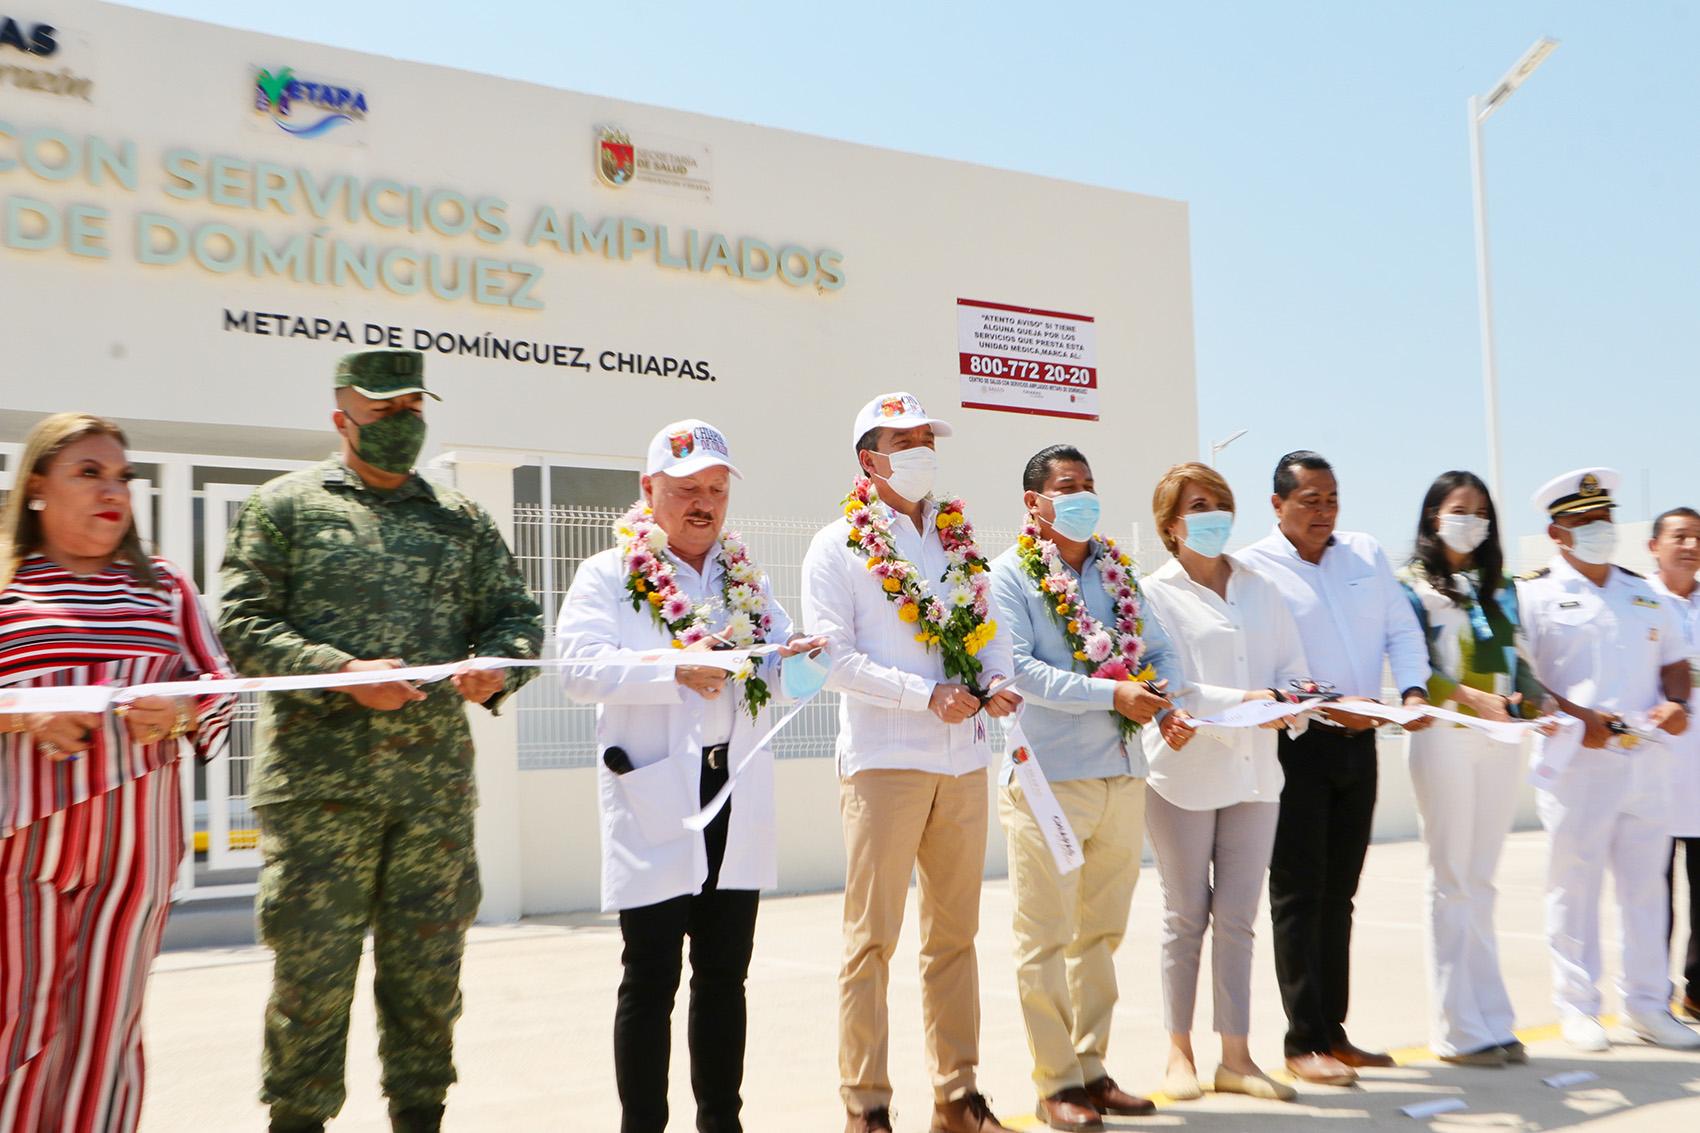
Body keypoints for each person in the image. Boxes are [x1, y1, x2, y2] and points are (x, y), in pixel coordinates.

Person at [218, 351, 545, 1133]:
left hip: (430, 794)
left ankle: (420, 1114)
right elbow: (240, 624)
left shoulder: (459, 520)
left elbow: (518, 620)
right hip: (318, 795)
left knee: (428, 980)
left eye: (411, 408)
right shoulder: (284, 508)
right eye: (383, 410)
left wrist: (497, 671)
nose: (402, 423)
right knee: (312, 982)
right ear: (343, 418)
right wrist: (339, 671)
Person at [555, 419, 828, 1133]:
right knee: (650, 976)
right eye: (685, 490)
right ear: (649, 491)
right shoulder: (609, 575)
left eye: (715, 488)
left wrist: (800, 659)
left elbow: (780, 663)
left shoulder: (746, 578)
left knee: (724, 973)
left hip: (731, 786)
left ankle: (720, 1121)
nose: (703, 503)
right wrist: (672, 668)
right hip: (655, 790)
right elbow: (576, 669)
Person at [0, 413, 235, 1133]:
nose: (114, 491)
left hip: (138, 851)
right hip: (20, 845)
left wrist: (179, 708)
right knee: (15, 1018)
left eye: (123, 477)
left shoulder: (165, 586)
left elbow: (221, 685)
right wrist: (22, 714)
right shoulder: (6, 581)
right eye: (89, 472)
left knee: (107, 1022)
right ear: (37, 486)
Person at [801, 392, 1021, 1133]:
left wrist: (998, 680)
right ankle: (866, 1104)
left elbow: (989, 631)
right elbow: (832, 659)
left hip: (964, 760)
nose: (924, 447)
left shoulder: (957, 541)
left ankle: (957, 1095)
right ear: (871, 458)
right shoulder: (838, 545)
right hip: (885, 761)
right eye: (908, 438)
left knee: (954, 937)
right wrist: (923, 694)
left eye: (929, 436)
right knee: (871, 939)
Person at [988, 445, 1181, 1130]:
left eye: (1089, 485)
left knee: (1100, 931)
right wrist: (1114, 691)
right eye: (1067, 487)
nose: (1083, 496)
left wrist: (1164, 696)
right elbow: (1022, 672)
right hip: (1048, 778)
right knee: (1043, 935)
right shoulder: (1008, 575)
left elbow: (1161, 650)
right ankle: (1055, 1082)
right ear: (1033, 503)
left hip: (1122, 773)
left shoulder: (1115, 571)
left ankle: (1092, 1068)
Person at [1237, 450, 1433, 1086]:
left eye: (1331, 499)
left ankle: (1334, 1032)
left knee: (1340, 894)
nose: (1323, 512)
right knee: (1298, 892)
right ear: (1277, 505)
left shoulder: (1365, 554)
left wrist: (1410, 694)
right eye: (1309, 500)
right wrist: (1324, 703)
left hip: (1363, 740)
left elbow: (1403, 632)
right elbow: (1260, 660)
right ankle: (1302, 1041)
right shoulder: (1253, 567)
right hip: (1300, 741)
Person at [1139, 462, 1307, 1104]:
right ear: (1171, 523)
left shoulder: (1262, 587)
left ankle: (1235, 1055)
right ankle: (1178, 1053)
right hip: (1182, 772)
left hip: (1255, 771)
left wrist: (1290, 699)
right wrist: (1251, 696)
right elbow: (1171, 682)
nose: (1212, 514)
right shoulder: (1154, 593)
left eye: (1219, 503)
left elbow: (1294, 667)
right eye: (1197, 505)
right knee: (1186, 916)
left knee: (1238, 917)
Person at [1517, 468, 1699, 1051]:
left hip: (1645, 760)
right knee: (1574, 887)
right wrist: (1578, 717)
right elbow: (1524, 680)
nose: (1600, 530)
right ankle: (1578, 1007)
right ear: (1557, 531)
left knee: (1646, 889)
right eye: (1585, 522)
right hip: (1578, 762)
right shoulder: (1535, 594)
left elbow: (1675, 660)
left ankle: (1648, 1005)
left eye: (1605, 519)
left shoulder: (1641, 592)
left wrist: (1675, 702)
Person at [1397, 471, 1548, 1067]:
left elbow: (1522, 662)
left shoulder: (1503, 586)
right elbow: (1413, 666)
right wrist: (1468, 698)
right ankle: (1457, 1029)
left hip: (1501, 741)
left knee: (1483, 881)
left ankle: (1493, 1017)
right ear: (1435, 515)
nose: (1473, 520)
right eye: (1461, 509)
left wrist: (1539, 699)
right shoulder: (1410, 586)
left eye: (1481, 512)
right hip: (1446, 736)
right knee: (1451, 878)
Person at [1647, 507, 1700, 1023]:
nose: (1689, 545)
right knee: (1651, 891)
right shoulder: (1638, 600)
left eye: (1697, 537)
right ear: (1653, 546)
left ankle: (1698, 990)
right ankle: (1650, 994)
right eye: (1679, 536)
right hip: (1655, 766)